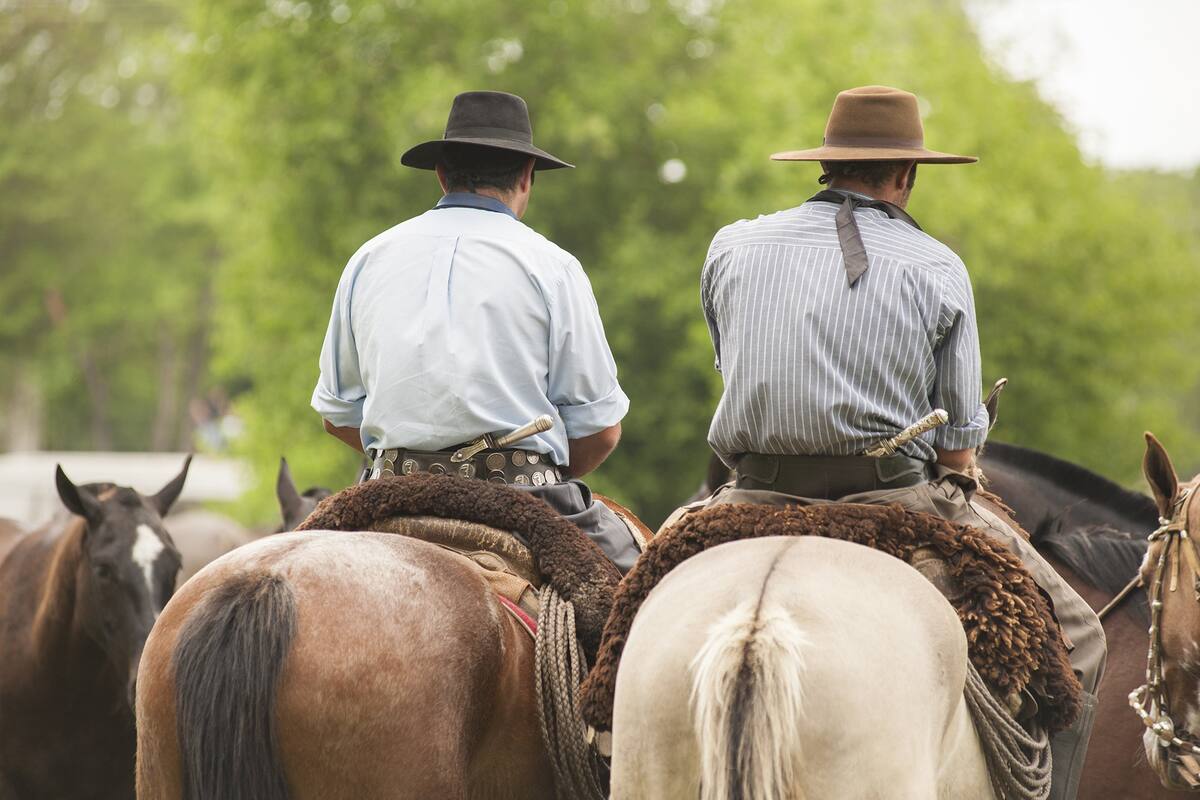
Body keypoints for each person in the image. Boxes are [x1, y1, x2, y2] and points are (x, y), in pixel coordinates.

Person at [689, 85, 1102, 799]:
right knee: (1083, 639)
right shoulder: (937, 265)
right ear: (906, 175)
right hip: (895, 496)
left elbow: (734, 368)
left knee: (621, 604)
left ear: (825, 165)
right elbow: (960, 443)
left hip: (752, 488)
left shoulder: (732, 246)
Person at [311, 90, 640, 573]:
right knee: (637, 590)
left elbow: (337, 414)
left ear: (442, 174)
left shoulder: (368, 258)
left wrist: (422, 461)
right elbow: (601, 431)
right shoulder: (554, 266)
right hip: (524, 494)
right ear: (526, 177)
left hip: (390, 491)